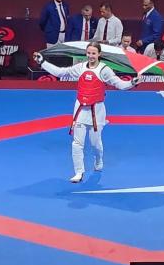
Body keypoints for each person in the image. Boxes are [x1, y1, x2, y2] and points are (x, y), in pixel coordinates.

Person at [33, 42, 141, 183]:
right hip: (80, 109)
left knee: (95, 143)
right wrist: (42, 62)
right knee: (77, 143)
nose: (91, 56)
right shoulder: (80, 67)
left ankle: (98, 159)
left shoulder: (104, 70)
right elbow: (60, 72)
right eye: (89, 53)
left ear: (99, 54)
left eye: (93, 53)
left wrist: (132, 82)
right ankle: (79, 172)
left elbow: (119, 84)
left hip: (96, 111)